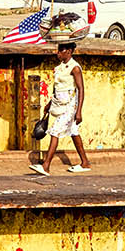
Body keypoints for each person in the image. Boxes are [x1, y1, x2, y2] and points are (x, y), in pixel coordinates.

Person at [31, 39, 91, 176]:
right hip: (60, 103)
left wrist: (79, 111)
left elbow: (81, 89)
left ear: (68, 52)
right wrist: (49, 103)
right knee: (74, 132)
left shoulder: (75, 68)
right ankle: (85, 162)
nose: (58, 53)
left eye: (61, 50)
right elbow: (56, 88)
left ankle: (46, 166)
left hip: (70, 106)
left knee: (55, 131)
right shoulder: (59, 68)